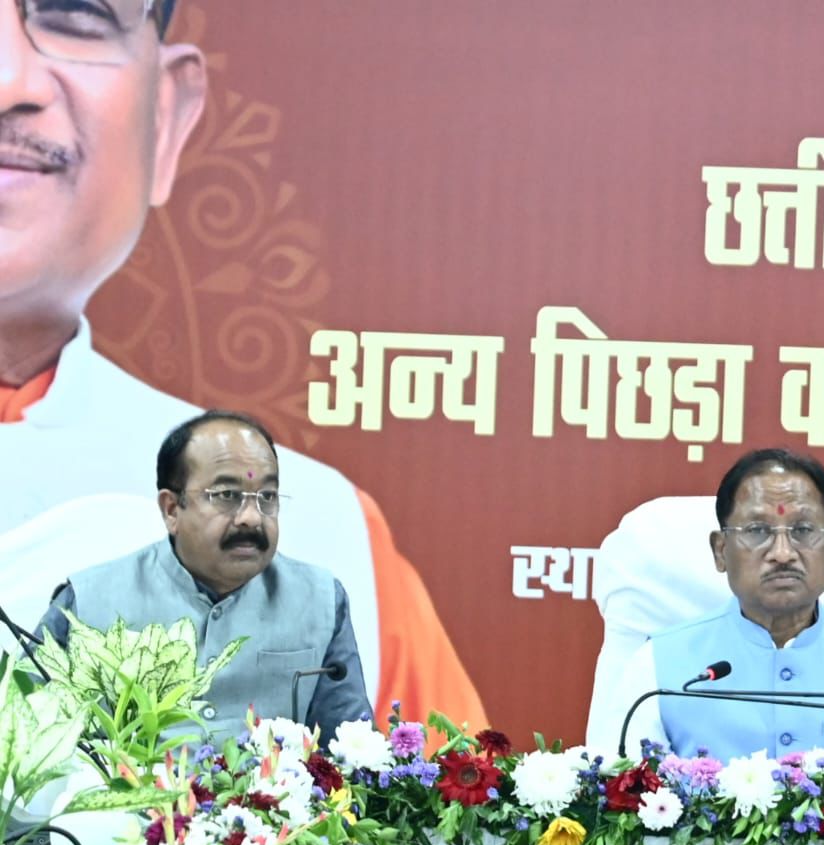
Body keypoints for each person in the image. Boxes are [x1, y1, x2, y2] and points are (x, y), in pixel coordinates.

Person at [0, 0, 485, 731]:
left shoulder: (328, 532)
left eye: (75, 10)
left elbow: (430, 793)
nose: (8, 80)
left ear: (165, 117)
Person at [589, 448, 824, 767]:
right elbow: (618, 802)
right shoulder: (656, 668)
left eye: (803, 531)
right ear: (721, 551)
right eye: (757, 531)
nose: (783, 553)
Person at [38, 411, 369, 741]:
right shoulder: (87, 602)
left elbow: (352, 746)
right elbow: (28, 731)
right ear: (171, 509)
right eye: (227, 495)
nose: (252, 518)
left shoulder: (320, 600)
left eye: (267, 497)